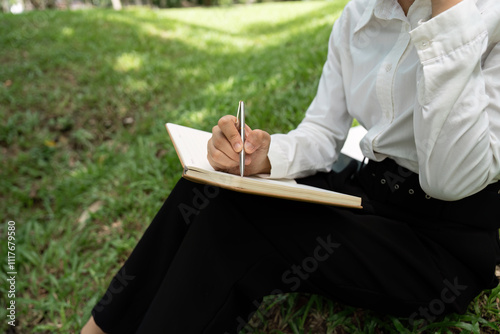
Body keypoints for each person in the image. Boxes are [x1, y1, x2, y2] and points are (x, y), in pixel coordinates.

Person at [82, 0, 500, 333]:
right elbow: (322, 130)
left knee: (239, 222)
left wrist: (449, 15)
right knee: (211, 185)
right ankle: (99, 329)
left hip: (442, 242)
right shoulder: (359, 15)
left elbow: (451, 180)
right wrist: (263, 158)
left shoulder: (489, 17)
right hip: (368, 193)